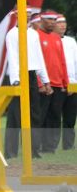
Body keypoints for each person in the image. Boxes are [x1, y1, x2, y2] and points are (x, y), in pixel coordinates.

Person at [4, 11, 51, 158]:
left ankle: (33, 150)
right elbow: (12, 57)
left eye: (29, 14)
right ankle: (11, 151)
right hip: (18, 75)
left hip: (31, 75)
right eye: (24, 13)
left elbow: (39, 57)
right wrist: (16, 80)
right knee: (15, 116)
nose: (28, 16)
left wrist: (45, 80)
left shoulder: (33, 34)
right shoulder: (12, 34)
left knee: (34, 115)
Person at [36, 9, 69, 153]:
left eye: (54, 20)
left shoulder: (56, 38)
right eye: (49, 19)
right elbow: (34, 62)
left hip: (58, 85)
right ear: (41, 20)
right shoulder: (35, 36)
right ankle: (36, 146)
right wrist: (40, 83)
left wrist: (65, 83)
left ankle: (51, 147)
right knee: (41, 116)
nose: (52, 22)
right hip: (44, 84)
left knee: (55, 117)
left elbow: (62, 61)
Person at [56, 14, 76, 150]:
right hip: (57, 84)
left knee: (70, 117)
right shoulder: (49, 41)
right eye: (60, 23)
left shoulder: (71, 41)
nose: (63, 25)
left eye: (64, 22)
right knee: (55, 116)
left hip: (73, 84)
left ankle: (68, 145)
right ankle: (51, 144)